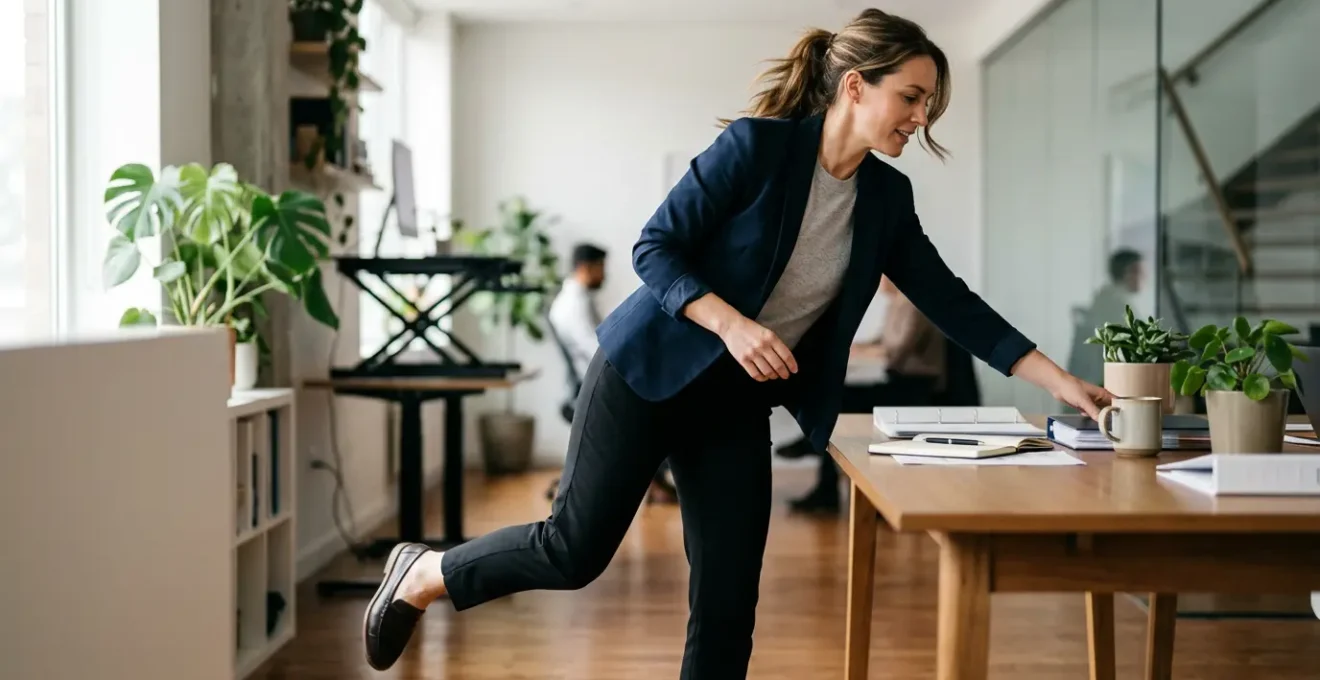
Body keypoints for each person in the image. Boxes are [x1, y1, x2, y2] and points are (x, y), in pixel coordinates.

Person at [362, 9, 1112, 678]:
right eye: (911, 97)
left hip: (731, 405)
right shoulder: (757, 149)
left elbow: (952, 302)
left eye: (928, 104)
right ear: (856, 87)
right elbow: (655, 248)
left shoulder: (886, 199)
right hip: (646, 371)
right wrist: (731, 321)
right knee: (573, 551)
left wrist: (1059, 382)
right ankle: (424, 572)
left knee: (726, 600)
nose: (920, 117)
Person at [780, 275, 947, 513]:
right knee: (837, 401)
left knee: (839, 402)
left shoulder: (915, 305)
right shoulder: (897, 304)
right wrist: (854, 347)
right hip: (897, 383)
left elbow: (896, 353)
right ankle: (817, 448)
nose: (879, 284)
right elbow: (882, 342)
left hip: (913, 389)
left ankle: (814, 444)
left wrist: (860, 353)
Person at [546, 243, 677, 503]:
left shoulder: (576, 299)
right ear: (586, 268)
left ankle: (656, 480)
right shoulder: (573, 304)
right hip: (592, 387)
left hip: (590, 381)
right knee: (660, 401)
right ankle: (655, 481)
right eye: (600, 269)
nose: (604, 275)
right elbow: (599, 350)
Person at [1066, 248, 1145, 388]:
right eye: (1139, 271)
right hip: (1101, 386)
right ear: (1128, 273)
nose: (1144, 276)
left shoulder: (1106, 298)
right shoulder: (1118, 305)